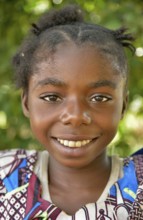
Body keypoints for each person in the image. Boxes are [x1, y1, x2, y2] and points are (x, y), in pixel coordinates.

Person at [0, 5, 142, 220]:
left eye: (99, 98)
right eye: (52, 97)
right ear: (27, 103)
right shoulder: (5, 176)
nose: (75, 116)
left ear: (123, 105)